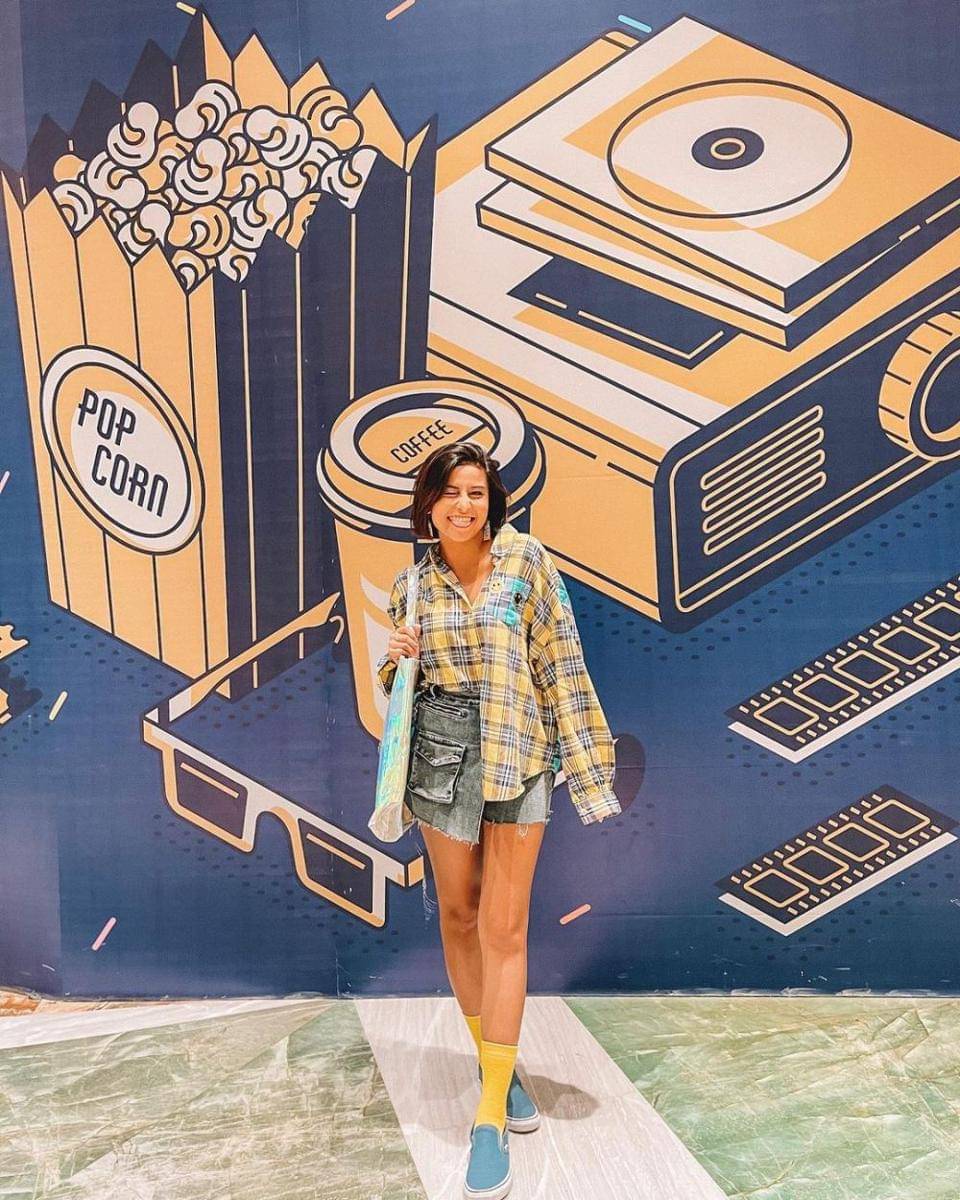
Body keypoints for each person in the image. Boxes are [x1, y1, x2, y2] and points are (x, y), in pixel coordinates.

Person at [376, 440, 620, 1200]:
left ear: (493, 501)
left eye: (476, 492)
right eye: (449, 492)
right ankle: (499, 1070)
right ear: (428, 504)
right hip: (441, 760)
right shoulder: (411, 585)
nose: (463, 505)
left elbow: (563, 667)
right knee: (458, 914)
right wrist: (395, 659)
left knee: (504, 929)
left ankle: (488, 1116)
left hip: (520, 755)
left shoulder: (527, 563)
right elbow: (398, 689)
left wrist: (589, 772)